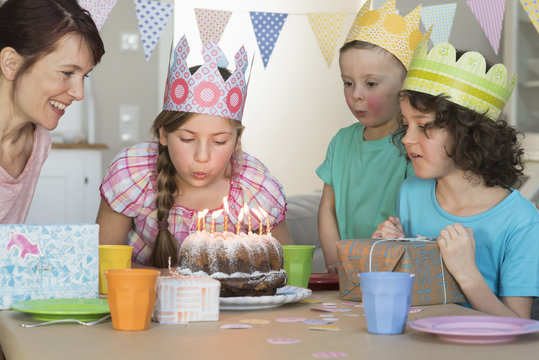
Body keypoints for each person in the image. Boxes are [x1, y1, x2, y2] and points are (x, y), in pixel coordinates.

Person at [96, 36, 293, 271]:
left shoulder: (255, 190)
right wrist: (168, 280)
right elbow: (101, 265)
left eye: (219, 141)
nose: (202, 156)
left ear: (237, 141)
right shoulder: (133, 176)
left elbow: (286, 270)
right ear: (163, 135)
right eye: (188, 139)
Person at [374, 40, 539, 318]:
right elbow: (415, 295)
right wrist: (390, 251)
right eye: (406, 124)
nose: (407, 138)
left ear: (469, 133)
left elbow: (519, 328)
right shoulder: (411, 193)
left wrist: (467, 274)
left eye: (424, 126)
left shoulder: (521, 221)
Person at [317, 0, 428, 273]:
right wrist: (335, 261)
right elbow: (327, 209)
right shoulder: (341, 142)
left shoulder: (413, 145)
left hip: (396, 270)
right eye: (348, 82)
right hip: (349, 270)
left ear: (405, 85)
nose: (356, 94)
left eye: (371, 83)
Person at [0, 0, 104, 223]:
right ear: (11, 63)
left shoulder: (38, 142)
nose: (79, 93)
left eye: (84, 76)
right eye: (67, 73)